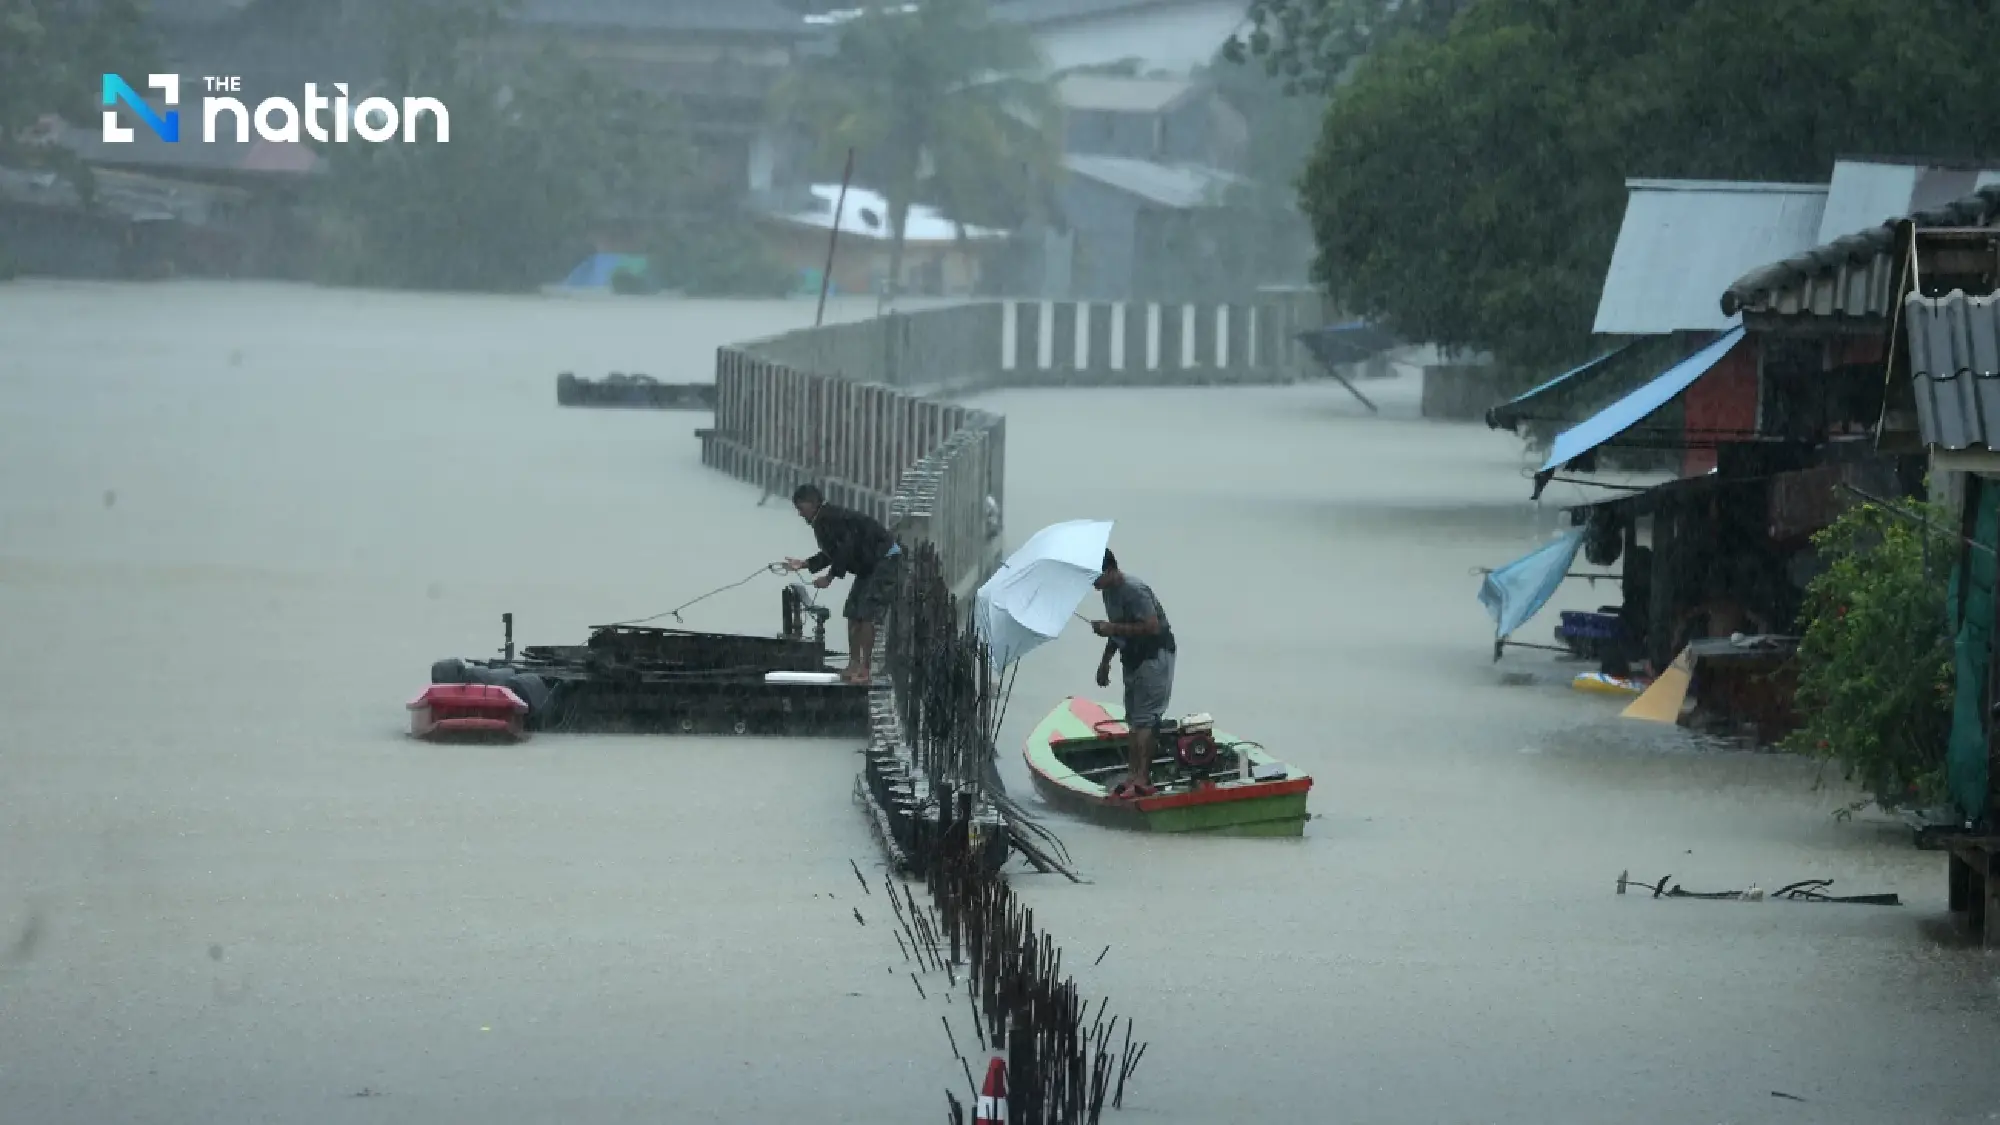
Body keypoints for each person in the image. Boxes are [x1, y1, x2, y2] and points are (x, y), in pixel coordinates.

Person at [783, 483, 903, 685]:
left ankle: (865, 669)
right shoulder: (823, 520)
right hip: (869, 565)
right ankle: (853, 664)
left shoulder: (829, 519)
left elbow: (844, 549)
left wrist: (829, 578)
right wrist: (804, 564)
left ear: (812, 504)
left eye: (801, 508)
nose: (800, 514)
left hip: (885, 559)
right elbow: (832, 552)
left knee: (865, 613)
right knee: (851, 611)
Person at [1088, 549, 1176, 800]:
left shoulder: (1134, 590)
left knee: (1146, 719)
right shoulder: (1108, 593)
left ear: (1111, 570)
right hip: (1132, 658)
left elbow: (1151, 626)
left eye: (1096, 575)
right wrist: (1105, 662)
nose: (1092, 582)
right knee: (1134, 719)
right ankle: (1131, 776)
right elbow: (1118, 628)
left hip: (1154, 655)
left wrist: (1110, 628)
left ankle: (1142, 778)